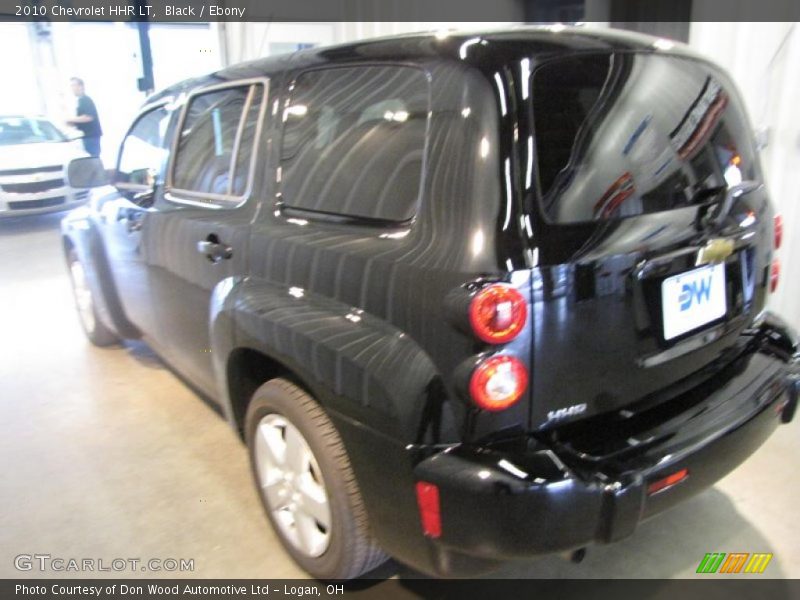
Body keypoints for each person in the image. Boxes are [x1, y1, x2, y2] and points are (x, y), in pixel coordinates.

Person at [66, 77, 103, 158]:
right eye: (71, 86)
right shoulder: (80, 101)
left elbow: (88, 117)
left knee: (92, 160)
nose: (72, 88)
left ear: (81, 86)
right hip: (86, 137)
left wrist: (70, 119)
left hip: (91, 137)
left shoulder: (85, 100)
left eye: (73, 85)